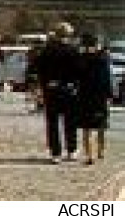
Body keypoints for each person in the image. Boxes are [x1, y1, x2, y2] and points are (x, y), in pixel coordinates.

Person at [29, 22, 83, 163]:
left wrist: (44, 84)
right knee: (70, 121)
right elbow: (80, 70)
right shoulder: (73, 50)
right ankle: (71, 150)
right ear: (69, 35)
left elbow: (39, 68)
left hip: (51, 89)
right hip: (69, 89)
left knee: (52, 122)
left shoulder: (48, 50)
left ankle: (55, 152)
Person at [76, 32, 112, 166]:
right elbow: (107, 79)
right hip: (98, 97)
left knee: (89, 127)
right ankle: (96, 152)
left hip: (86, 96)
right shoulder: (103, 58)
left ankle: (92, 154)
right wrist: (109, 96)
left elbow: (77, 78)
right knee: (98, 126)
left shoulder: (82, 59)